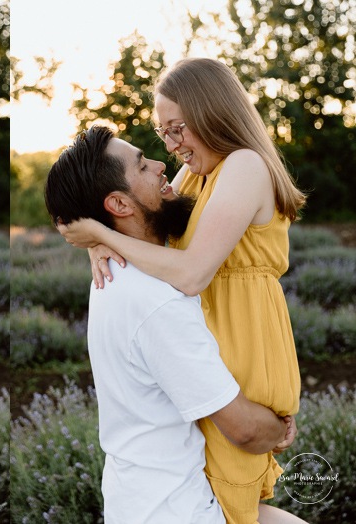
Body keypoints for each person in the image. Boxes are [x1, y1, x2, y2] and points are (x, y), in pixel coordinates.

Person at [58, 58, 306, 523]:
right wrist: (96, 241)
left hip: (244, 335)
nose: (169, 147)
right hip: (210, 340)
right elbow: (141, 216)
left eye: (178, 129)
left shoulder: (245, 165)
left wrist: (103, 236)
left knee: (237, 500)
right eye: (162, 132)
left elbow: (191, 272)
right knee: (231, 503)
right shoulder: (195, 174)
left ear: (213, 113)